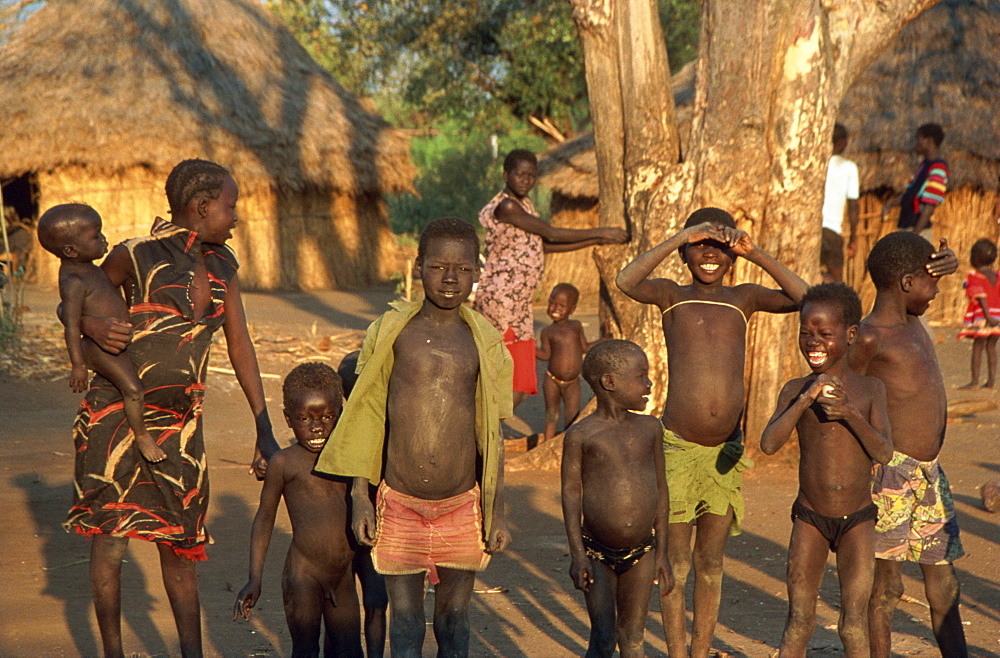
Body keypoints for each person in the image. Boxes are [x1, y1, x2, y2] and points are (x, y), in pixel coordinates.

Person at [64, 159, 279, 658]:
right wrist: (91, 329)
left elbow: (240, 344)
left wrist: (263, 426)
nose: (237, 217)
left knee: (180, 546)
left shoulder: (224, 266)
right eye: (231, 206)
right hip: (115, 417)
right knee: (112, 541)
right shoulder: (135, 255)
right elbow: (73, 293)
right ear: (202, 207)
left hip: (181, 427)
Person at [315, 217, 513, 657]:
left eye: (462, 268)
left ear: (477, 272)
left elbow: (493, 434)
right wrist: (361, 497)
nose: (449, 278)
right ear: (418, 266)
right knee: (404, 624)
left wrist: (497, 510)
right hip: (399, 502)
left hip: (463, 504)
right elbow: (367, 416)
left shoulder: (484, 341)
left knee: (454, 623)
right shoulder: (391, 333)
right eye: (438, 266)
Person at [615, 207, 808, 658]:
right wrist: (682, 234)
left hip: (725, 453)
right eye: (699, 246)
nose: (709, 254)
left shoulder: (743, 298)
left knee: (711, 562)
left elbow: (805, 297)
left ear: (732, 256)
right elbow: (626, 280)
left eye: (719, 247)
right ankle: (679, 652)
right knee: (675, 561)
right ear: (684, 254)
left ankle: (701, 650)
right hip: (678, 450)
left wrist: (754, 251)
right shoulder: (671, 294)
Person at [848, 231, 967, 657]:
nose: (936, 291)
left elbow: (929, 278)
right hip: (889, 478)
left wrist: (944, 265)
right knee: (887, 590)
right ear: (905, 283)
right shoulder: (868, 337)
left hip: (930, 476)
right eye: (930, 281)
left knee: (944, 586)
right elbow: (849, 394)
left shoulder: (912, 322)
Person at [760, 283, 892, 656]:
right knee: (799, 621)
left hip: (859, 522)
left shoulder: (869, 390)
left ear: (850, 336)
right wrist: (806, 399)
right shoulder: (794, 390)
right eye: (806, 333)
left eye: (824, 334)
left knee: (853, 625)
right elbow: (769, 444)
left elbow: (883, 452)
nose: (813, 342)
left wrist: (849, 412)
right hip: (810, 518)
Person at [474, 148, 627, 408]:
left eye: (530, 176)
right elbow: (550, 233)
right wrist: (602, 231)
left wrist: (596, 240)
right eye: (519, 175)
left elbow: (543, 246)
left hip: (519, 305)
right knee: (502, 372)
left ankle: (490, 427)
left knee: (521, 379)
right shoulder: (507, 206)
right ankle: (484, 429)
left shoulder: (525, 207)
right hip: (501, 302)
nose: (525, 180)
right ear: (505, 175)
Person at [233, 363, 362, 656]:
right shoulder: (284, 463)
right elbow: (264, 520)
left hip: (342, 576)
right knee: (305, 649)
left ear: (340, 414)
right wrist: (255, 578)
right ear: (288, 419)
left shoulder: (350, 459)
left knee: (351, 650)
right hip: (303, 575)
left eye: (327, 417)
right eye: (305, 418)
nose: (317, 427)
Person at [561, 339, 673, 657]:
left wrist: (662, 551)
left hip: (643, 552)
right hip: (596, 553)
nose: (649, 383)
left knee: (634, 638)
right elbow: (571, 494)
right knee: (603, 639)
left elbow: (661, 490)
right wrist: (577, 554)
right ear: (609, 382)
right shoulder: (581, 435)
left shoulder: (650, 429)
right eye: (641, 376)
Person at [37, 204, 165, 464]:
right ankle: (142, 436)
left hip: (114, 342)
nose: (104, 239)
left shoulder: (91, 268)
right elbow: (72, 325)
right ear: (71, 250)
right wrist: (78, 366)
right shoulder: (74, 282)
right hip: (98, 348)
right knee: (133, 389)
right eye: (96, 236)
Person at [336, 350, 388, 658]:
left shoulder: (383, 426)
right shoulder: (335, 427)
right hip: (349, 528)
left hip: (369, 527)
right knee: (367, 602)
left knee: (373, 600)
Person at [536, 282, 602, 441]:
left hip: (572, 382)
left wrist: (604, 339)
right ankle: (547, 443)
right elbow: (546, 355)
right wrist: (529, 349)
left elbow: (584, 347)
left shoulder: (576, 326)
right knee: (552, 414)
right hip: (552, 379)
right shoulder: (547, 331)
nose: (555, 308)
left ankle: (568, 445)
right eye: (552, 302)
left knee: (572, 416)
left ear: (572, 309)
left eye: (561, 305)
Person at [883, 123, 948, 242]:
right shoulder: (924, 166)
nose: (916, 143)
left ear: (929, 141)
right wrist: (890, 204)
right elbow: (910, 194)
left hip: (918, 232)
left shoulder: (938, 168)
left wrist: (914, 237)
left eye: (919, 139)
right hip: (908, 229)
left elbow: (929, 207)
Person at [957, 238, 1000, 388]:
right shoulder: (998, 276)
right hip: (997, 318)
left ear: (975, 258)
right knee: (992, 348)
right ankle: (991, 381)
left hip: (983, 318)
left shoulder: (975, 277)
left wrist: (987, 317)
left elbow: (980, 296)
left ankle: (975, 381)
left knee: (978, 346)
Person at [820, 123, 860, 283]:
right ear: (842, 142)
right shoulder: (849, 167)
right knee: (837, 281)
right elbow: (853, 206)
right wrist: (853, 237)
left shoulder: (816, 163)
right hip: (831, 230)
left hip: (811, 228)